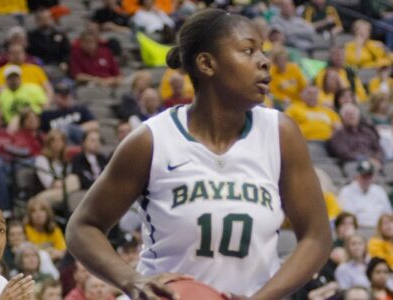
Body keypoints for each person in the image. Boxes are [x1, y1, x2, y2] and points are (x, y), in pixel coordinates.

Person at [66, 9, 331, 299]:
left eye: (263, 51)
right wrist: (132, 281)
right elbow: (83, 226)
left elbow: (317, 237)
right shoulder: (152, 139)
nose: (264, 61)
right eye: (248, 50)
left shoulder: (280, 133)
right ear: (206, 63)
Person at [337, 160, 392, 228]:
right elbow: (347, 219)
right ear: (357, 176)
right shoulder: (346, 192)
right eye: (364, 176)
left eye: (369, 176)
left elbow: (388, 214)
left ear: (373, 177)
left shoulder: (379, 191)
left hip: (380, 231)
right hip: (358, 230)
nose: (367, 179)